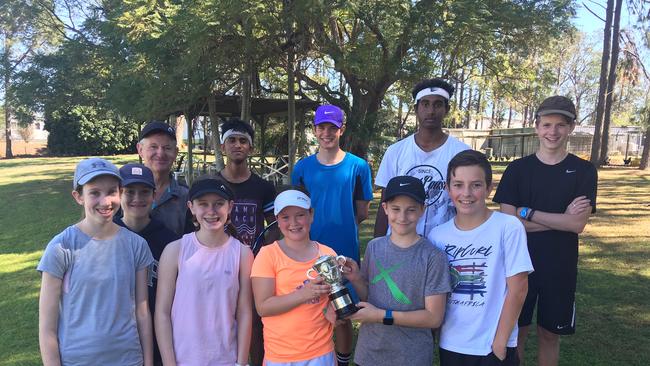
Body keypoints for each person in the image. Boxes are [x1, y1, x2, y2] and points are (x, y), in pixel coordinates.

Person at [492, 96, 598, 366]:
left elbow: (577, 225)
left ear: (571, 128)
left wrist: (527, 213)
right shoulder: (517, 170)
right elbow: (508, 222)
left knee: (550, 334)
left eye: (561, 125)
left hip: (560, 266)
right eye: (547, 124)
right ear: (537, 127)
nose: (553, 132)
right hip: (518, 265)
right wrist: (561, 219)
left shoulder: (584, 171)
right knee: (518, 332)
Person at [38, 158, 154, 366]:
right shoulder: (61, 248)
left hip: (128, 359)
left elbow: (142, 312)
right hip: (77, 360)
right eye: (94, 193)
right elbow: (47, 328)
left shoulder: (137, 246)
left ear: (119, 193)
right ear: (78, 196)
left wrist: (148, 362)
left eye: (111, 191)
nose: (105, 201)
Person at [428, 150, 533, 365]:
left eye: (475, 185)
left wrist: (500, 342)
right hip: (451, 342)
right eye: (458, 185)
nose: (466, 193)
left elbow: (519, 289)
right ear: (448, 189)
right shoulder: (437, 235)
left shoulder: (508, 227)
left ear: (488, 188)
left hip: (492, 344)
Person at [291, 105, 373, 366]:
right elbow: (297, 208)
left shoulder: (358, 167)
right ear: (315, 130)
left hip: (343, 249)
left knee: (343, 313)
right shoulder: (302, 168)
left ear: (342, 130)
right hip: (308, 249)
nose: (326, 133)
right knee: (311, 306)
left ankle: (343, 360)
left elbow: (361, 211)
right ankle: (312, 356)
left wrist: (339, 225)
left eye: (332, 128)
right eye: (321, 127)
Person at [343, 176, 451, 366]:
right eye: (396, 209)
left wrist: (381, 316)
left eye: (411, 210)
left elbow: (434, 317)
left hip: (410, 356)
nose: (402, 217)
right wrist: (356, 279)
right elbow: (371, 297)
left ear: (422, 210)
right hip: (369, 352)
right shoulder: (374, 247)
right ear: (384, 208)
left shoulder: (433, 257)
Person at [155, 178, 253, 366]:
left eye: (219, 204)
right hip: (183, 359)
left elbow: (244, 312)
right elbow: (162, 312)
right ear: (191, 207)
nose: (211, 211)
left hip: (226, 359)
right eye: (203, 204)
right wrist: (169, 363)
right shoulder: (175, 250)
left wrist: (241, 362)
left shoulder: (242, 253)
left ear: (230, 207)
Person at [251, 187, 339, 366]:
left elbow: (335, 298)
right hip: (280, 356)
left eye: (300, 215)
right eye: (285, 217)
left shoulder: (327, 254)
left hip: (321, 352)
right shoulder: (268, 255)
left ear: (311, 214)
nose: (294, 223)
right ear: (277, 220)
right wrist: (303, 294)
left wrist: (336, 310)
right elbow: (263, 307)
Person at [374, 78, 469, 239]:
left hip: (446, 246)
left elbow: (467, 207)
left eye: (438, 104)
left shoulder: (461, 153)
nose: (431, 111)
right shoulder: (395, 152)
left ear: (447, 109)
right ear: (416, 109)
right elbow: (385, 204)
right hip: (400, 247)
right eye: (425, 104)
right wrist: (376, 247)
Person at [216, 118, 277, 365]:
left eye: (243, 141)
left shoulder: (263, 187)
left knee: (254, 326)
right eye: (231, 140)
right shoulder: (211, 184)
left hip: (253, 267)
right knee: (221, 321)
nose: (237, 145)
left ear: (251, 148)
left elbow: (273, 227)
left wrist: (266, 259)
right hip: (219, 265)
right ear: (222, 147)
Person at [115, 163, 180, 366]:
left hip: (157, 336)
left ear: (154, 196)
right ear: (118, 195)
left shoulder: (169, 240)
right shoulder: (107, 236)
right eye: (129, 192)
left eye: (144, 192)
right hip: (116, 336)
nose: (137, 199)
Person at [137, 121, 189, 236]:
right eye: (153, 147)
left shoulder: (186, 197)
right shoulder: (125, 191)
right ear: (140, 150)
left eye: (167, 148)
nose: (160, 153)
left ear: (175, 152)